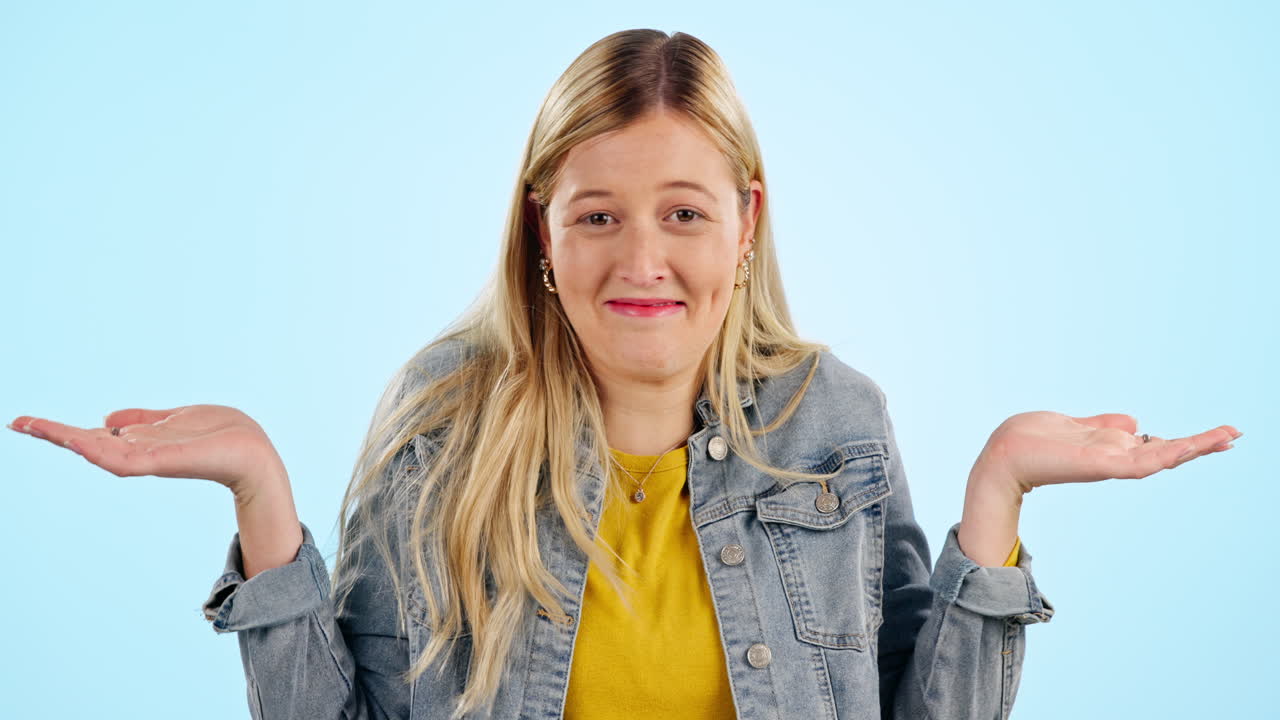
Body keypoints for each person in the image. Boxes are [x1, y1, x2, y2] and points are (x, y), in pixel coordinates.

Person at [7, 28, 1241, 720]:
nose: (641, 261)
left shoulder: (836, 421)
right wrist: (259, 497)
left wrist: (998, 500)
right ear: (539, 228)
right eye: (597, 216)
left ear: (746, 221)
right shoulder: (438, 419)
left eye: (683, 215)